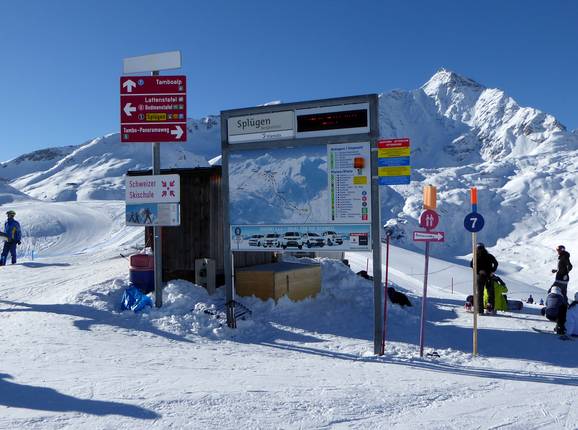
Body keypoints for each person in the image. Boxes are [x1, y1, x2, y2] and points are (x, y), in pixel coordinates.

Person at [470, 243, 499, 314]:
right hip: (489, 276)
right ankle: (490, 309)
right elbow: (496, 263)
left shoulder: (476, 257)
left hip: (480, 276)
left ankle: (480, 310)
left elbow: (472, 265)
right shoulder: (489, 256)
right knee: (490, 293)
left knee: (480, 293)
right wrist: (492, 271)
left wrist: (479, 271)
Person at [550, 245, 572, 334]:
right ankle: (564, 311)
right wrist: (556, 271)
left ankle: (555, 312)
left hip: (561, 280)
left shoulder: (564, 256)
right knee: (562, 295)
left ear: (562, 250)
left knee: (552, 292)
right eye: (557, 250)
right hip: (561, 279)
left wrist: (565, 274)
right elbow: (563, 267)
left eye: (558, 250)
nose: (557, 251)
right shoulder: (562, 257)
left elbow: (569, 266)